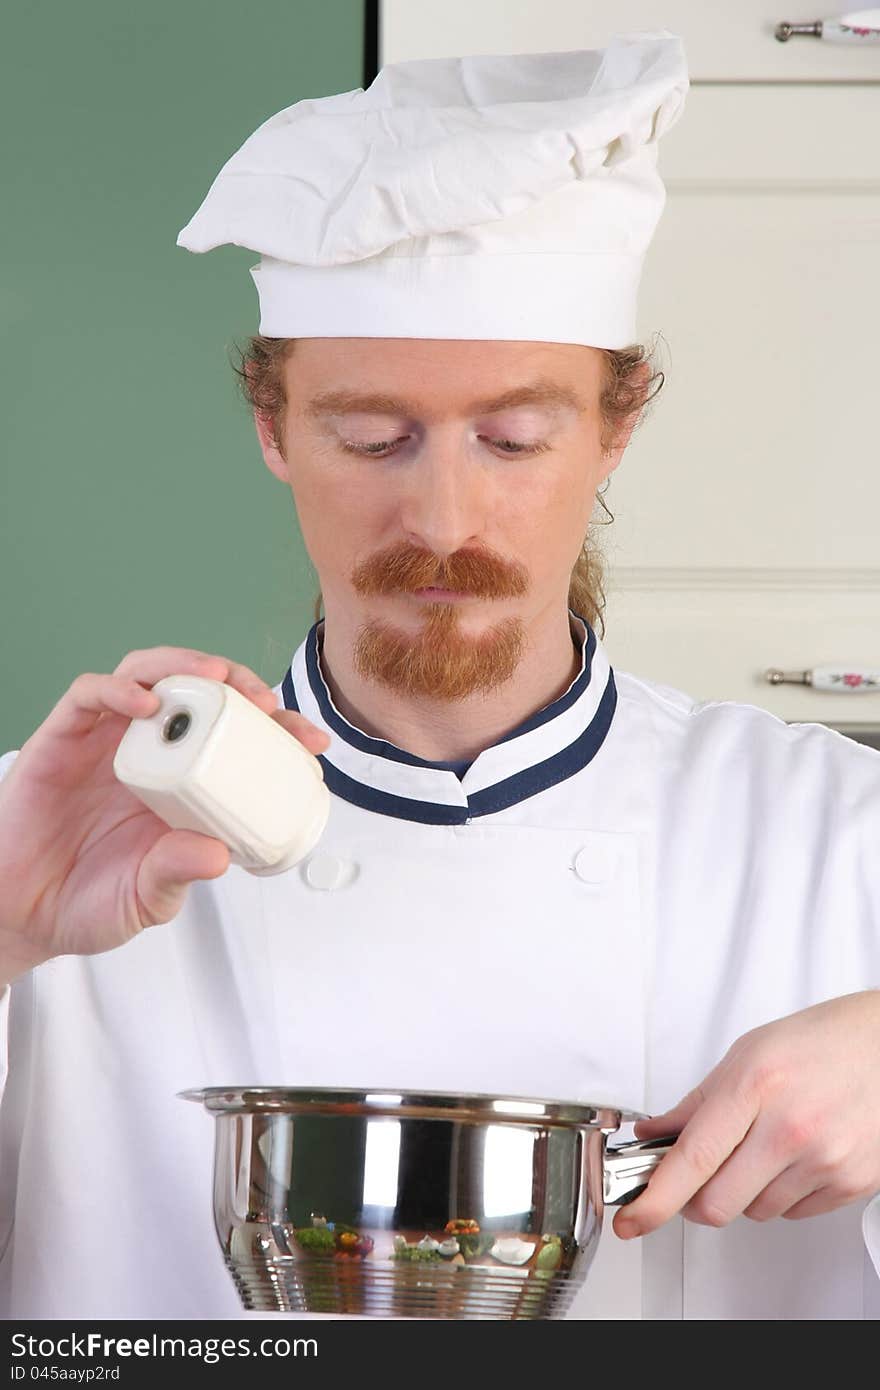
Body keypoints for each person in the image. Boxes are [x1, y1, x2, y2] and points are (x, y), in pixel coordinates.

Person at [1, 33, 878, 1322]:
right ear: (273, 429)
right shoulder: (65, 843)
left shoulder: (830, 836)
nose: (444, 518)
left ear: (617, 429)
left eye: (514, 438)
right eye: (374, 438)